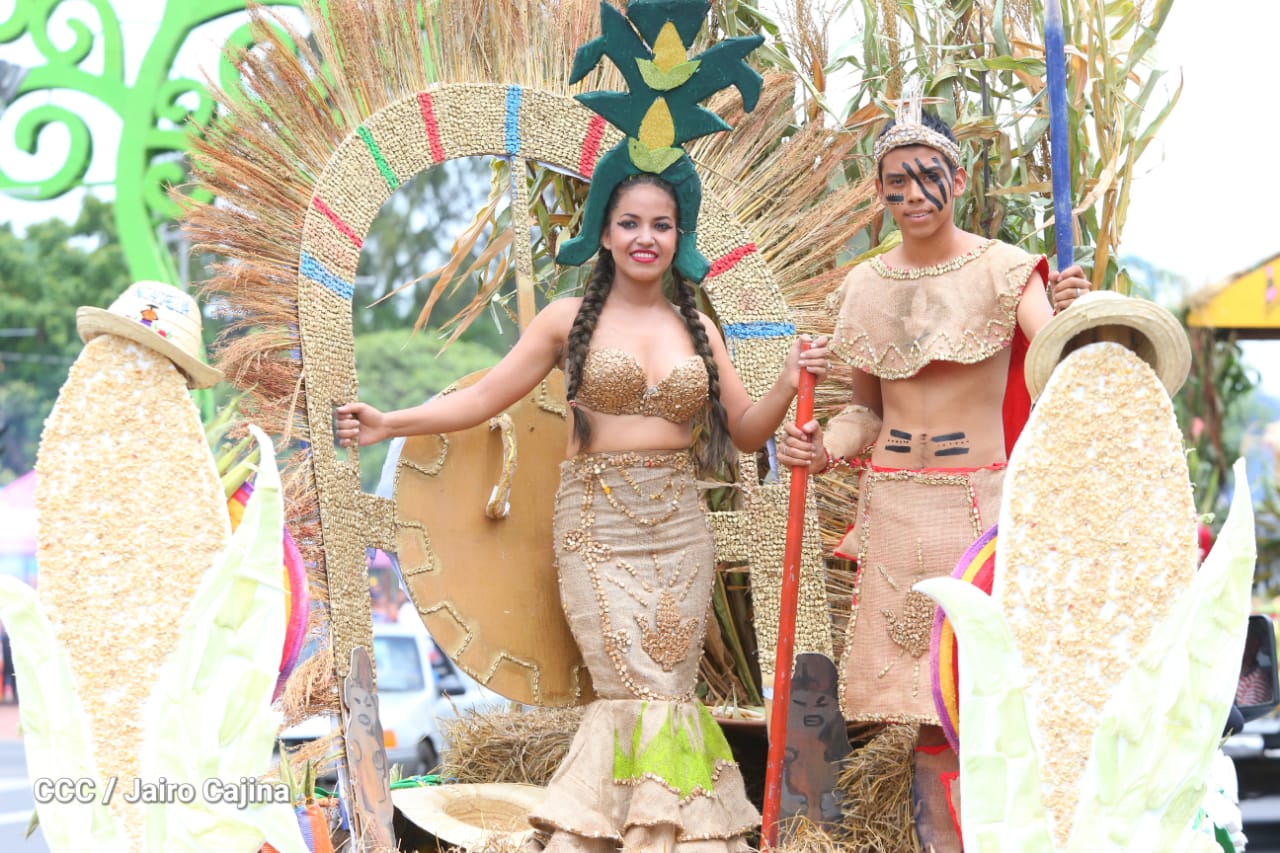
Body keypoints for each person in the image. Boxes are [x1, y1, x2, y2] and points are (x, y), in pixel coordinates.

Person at [337, 173, 829, 851]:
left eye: (661, 225)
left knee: (670, 691)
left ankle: (673, 838)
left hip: (681, 531)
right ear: (604, 232)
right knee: (634, 689)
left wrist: (787, 382)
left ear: (678, 237)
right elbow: (483, 399)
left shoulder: (699, 328)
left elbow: (746, 431)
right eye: (630, 223)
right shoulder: (566, 321)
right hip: (597, 528)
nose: (645, 238)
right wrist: (390, 422)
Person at [775, 87, 1091, 853]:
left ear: (956, 178)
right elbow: (866, 412)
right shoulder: (865, 286)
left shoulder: (1007, 271)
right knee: (922, 709)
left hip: (979, 507)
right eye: (897, 181)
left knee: (980, 693)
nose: (913, 194)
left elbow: (1061, 372)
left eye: (928, 177)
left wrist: (1073, 314)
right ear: (879, 190)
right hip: (894, 510)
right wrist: (823, 448)